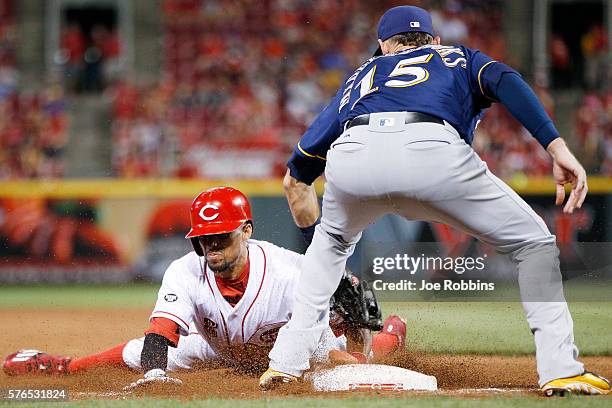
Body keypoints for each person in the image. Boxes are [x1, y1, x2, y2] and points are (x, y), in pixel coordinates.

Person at [260, 6, 610, 397]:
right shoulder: (456, 56)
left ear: (382, 46)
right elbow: (505, 79)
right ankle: (560, 369)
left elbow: (300, 168)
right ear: (434, 40)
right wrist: (555, 146)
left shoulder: (362, 76)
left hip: (353, 152)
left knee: (330, 248)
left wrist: (318, 229)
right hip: (430, 149)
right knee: (534, 244)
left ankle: (285, 364)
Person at [2, 187, 405, 387]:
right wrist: (156, 376)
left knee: (347, 371)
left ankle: (392, 338)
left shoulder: (291, 271)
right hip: (216, 348)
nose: (211, 248)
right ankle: (59, 364)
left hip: (290, 346)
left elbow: (347, 309)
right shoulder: (185, 270)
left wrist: (354, 318)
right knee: (137, 353)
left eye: (221, 238)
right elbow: (160, 332)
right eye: (204, 239)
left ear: (246, 231)